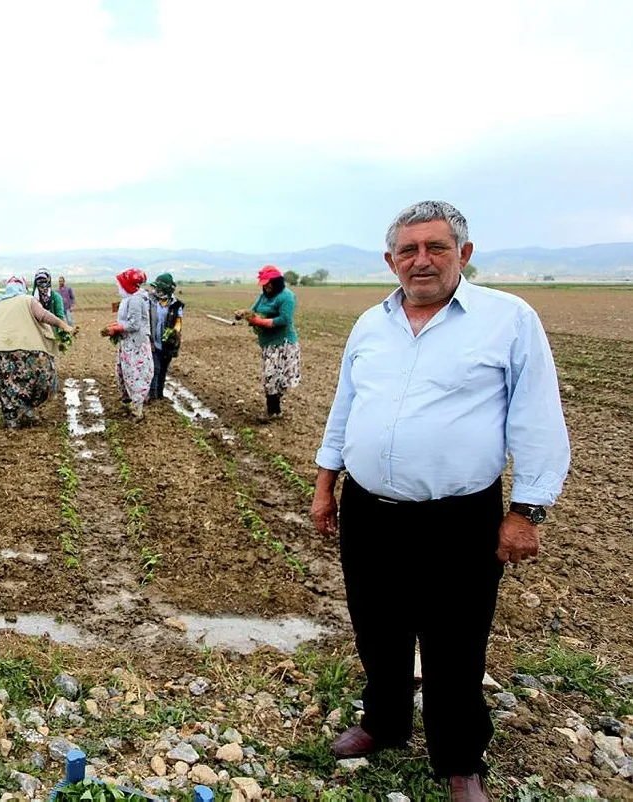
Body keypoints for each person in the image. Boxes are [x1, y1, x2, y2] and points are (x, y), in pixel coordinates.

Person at [310, 201, 571, 801]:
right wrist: (326, 484)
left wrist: (526, 512)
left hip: (459, 517)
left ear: (464, 254)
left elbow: (537, 419)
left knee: (455, 641)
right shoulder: (370, 325)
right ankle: (384, 723)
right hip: (370, 510)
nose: (421, 260)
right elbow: (345, 409)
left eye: (436, 247)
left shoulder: (508, 319)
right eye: (408, 250)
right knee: (376, 627)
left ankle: (459, 759)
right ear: (391, 261)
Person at [0, 276, 74, 428]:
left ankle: (12, 419)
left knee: (8, 385)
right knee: (40, 379)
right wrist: (63, 325)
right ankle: (28, 410)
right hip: (28, 350)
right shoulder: (27, 300)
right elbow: (43, 315)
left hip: (0, 352)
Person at [234, 265, 300, 423]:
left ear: (276, 282)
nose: (266, 287)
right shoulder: (263, 297)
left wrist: (260, 322)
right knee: (270, 376)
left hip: (283, 343)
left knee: (273, 376)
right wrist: (242, 314)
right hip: (268, 343)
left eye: (268, 284)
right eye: (264, 284)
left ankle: (273, 411)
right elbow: (253, 311)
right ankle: (275, 410)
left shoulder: (286, 297)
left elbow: (284, 320)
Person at [100, 268, 153, 420]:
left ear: (127, 285)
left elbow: (134, 325)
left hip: (135, 345)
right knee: (124, 373)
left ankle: (137, 410)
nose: (118, 287)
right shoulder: (129, 298)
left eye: (120, 284)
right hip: (127, 343)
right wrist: (114, 325)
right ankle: (129, 404)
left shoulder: (136, 299)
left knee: (135, 375)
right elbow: (125, 320)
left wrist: (116, 329)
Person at [147, 273, 184, 401]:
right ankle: (152, 395)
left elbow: (178, 321)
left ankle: (160, 394)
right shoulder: (150, 301)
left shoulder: (176, 304)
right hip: (152, 341)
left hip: (168, 342)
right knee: (155, 368)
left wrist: (175, 331)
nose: (156, 291)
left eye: (159, 288)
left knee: (163, 369)